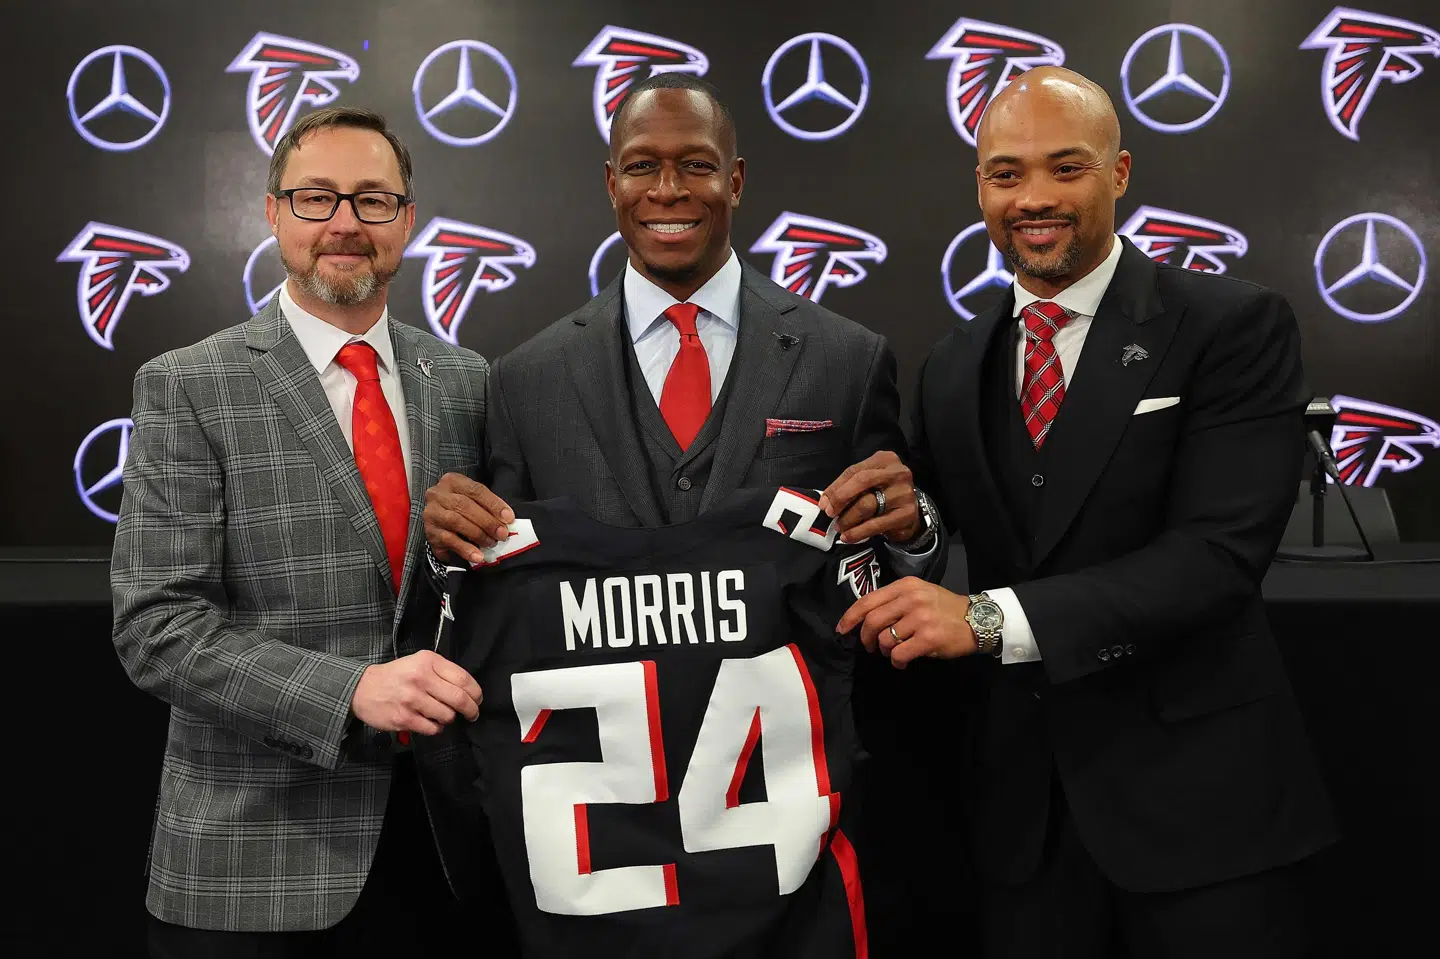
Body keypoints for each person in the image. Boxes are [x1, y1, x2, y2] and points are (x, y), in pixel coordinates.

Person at [418, 73, 945, 954]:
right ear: (610, 182)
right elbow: (498, 592)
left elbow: (888, 563)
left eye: (696, 165)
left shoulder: (846, 359)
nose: (668, 190)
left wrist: (916, 525)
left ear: (735, 180)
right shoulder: (525, 380)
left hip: (785, 849)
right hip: (606, 861)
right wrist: (450, 548)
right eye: (642, 166)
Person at [838, 67, 1337, 958]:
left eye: (1066, 168)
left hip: (1204, 815)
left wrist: (986, 620)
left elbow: (1216, 558)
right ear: (980, 188)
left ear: (1120, 171)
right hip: (1021, 824)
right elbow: (958, 537)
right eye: (1006, 174)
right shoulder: (953, 364)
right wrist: (913, 530)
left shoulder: (1231, 324)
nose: (1034, 197)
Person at [111, 107, 508, 957]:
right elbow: (157, 628)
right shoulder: (188, 385)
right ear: (272, 212)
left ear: (407, 219)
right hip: (253, 868)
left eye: (373, 200)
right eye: (316, 197)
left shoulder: (468, 381)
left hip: (449, 858)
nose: (344, 223)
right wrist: (350, 691)